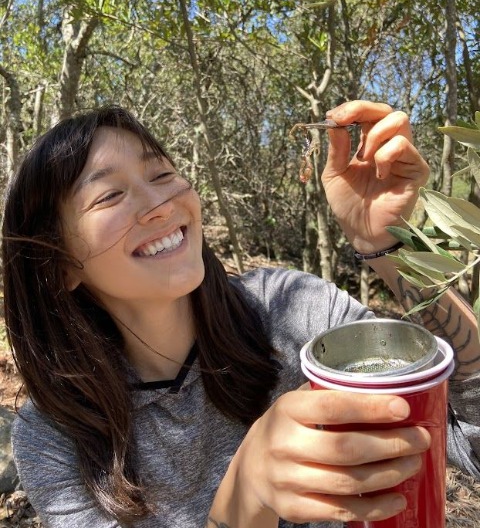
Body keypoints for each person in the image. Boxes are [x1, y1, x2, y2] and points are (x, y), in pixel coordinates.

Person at [3, 100, 479, 528]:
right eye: (109, 195)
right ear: (61, 263)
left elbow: (468, 444)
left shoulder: (293, 310)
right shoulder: (53, 438)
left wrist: (388, 246)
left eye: (162, 175)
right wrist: (246, 498)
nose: (158, 204)